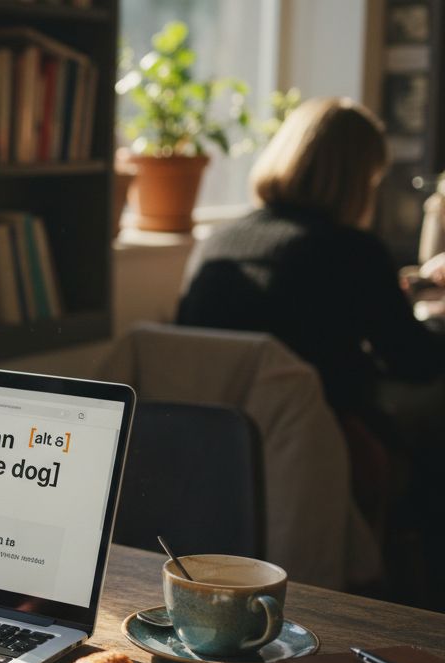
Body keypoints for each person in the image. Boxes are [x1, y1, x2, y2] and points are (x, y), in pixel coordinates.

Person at [175, 97, 445, 603]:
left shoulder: (216, 243)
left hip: (211, 450)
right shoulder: (352, 250)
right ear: (359, 178)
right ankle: (419, 595)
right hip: (323, 444)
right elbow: (414, 361)